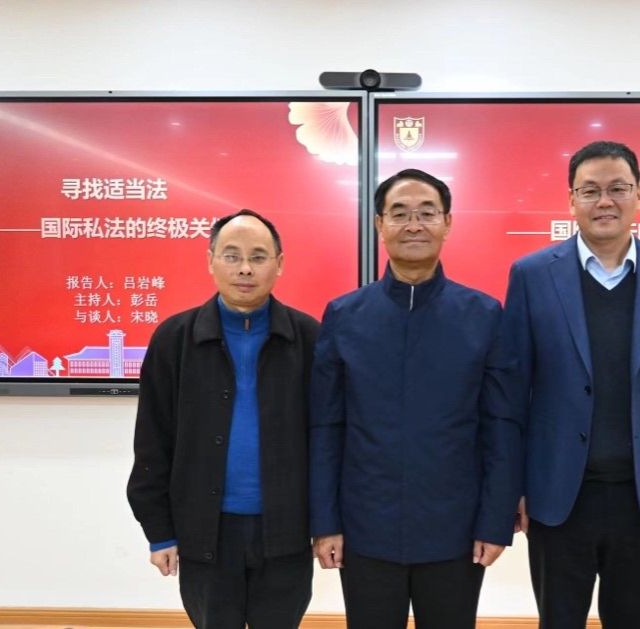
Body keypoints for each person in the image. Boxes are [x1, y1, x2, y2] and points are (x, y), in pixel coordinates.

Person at [503, 141, 640, 628]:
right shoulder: (532, 275)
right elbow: (512, 395)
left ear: (639, 195)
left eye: (618, 188)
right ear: (571, 200)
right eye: (590, 190)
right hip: (558, 497)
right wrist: (514, 487)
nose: (604, 201)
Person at [309, 169, 522, 629]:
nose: (414, 225)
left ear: (448, 223)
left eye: (427, 213)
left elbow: (501, 426)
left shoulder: (483, 315)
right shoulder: (345, 315)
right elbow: (326, 426)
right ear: (379, 224)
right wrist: (325, 522)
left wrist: (495, 521)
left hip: (456, 530)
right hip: (365, 527)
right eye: (400, 213)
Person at [127, 209, 319, 629]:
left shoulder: (308, 338)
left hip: (285, 532)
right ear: (210, 261)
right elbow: (153, 442)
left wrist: (328, 526)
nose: (245, 268)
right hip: (204, 533)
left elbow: (327, 443)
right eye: (231, 256)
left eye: (258, 256)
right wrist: (159, 531)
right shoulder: (175, 339)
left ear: (279, 264)